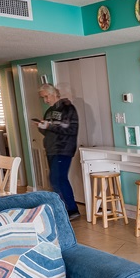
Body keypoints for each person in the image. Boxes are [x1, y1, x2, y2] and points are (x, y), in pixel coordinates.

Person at [36, 84, 81, 219]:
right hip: (51, 148)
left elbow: (70, 129)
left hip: (63, 148)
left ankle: (71, 210)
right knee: (56, 180)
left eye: (46, 97)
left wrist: (50, 125)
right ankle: (66, 209)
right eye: (43, 98)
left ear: (54, 93)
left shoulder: (68, 108)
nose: (45, 100)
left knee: (57, 179)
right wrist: (42, 127)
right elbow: (48, 131)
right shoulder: (49, 111)